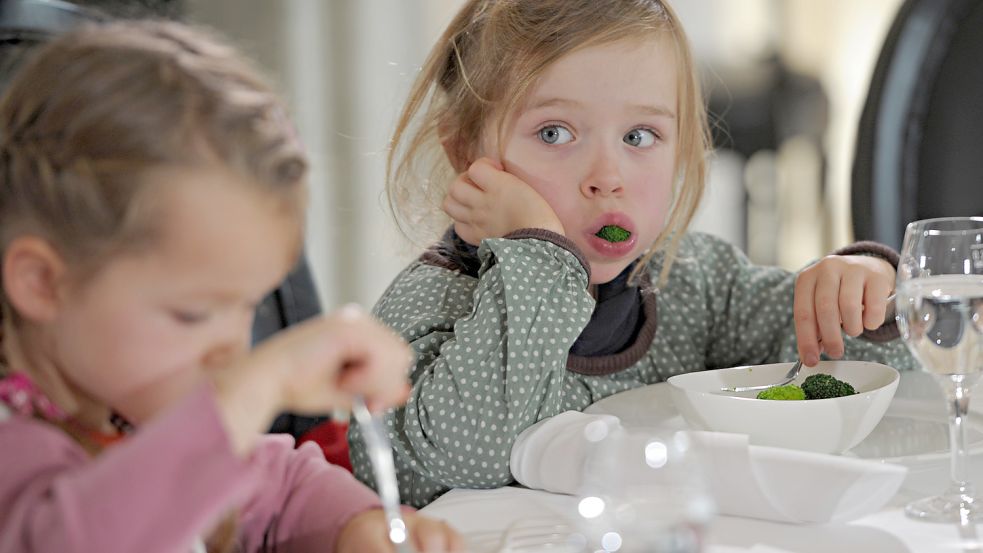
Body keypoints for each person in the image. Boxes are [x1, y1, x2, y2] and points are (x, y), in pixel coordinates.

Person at [348, 0, 918, 508]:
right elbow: (460, 460)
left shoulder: (692, 283)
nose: (607, 177)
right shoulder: (429, 310)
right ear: (464, 151)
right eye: (554, 133)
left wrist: (866, 290)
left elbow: (878, 380)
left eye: (639, 136)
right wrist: (540, 255)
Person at [0, 20, 462, 553]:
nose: (231, 345)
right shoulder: (16, 443)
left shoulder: (131, 407)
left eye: (247, 305)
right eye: (193, 313)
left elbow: (281, 486)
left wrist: (355, 528)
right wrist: (255, 387)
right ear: (43, 284)